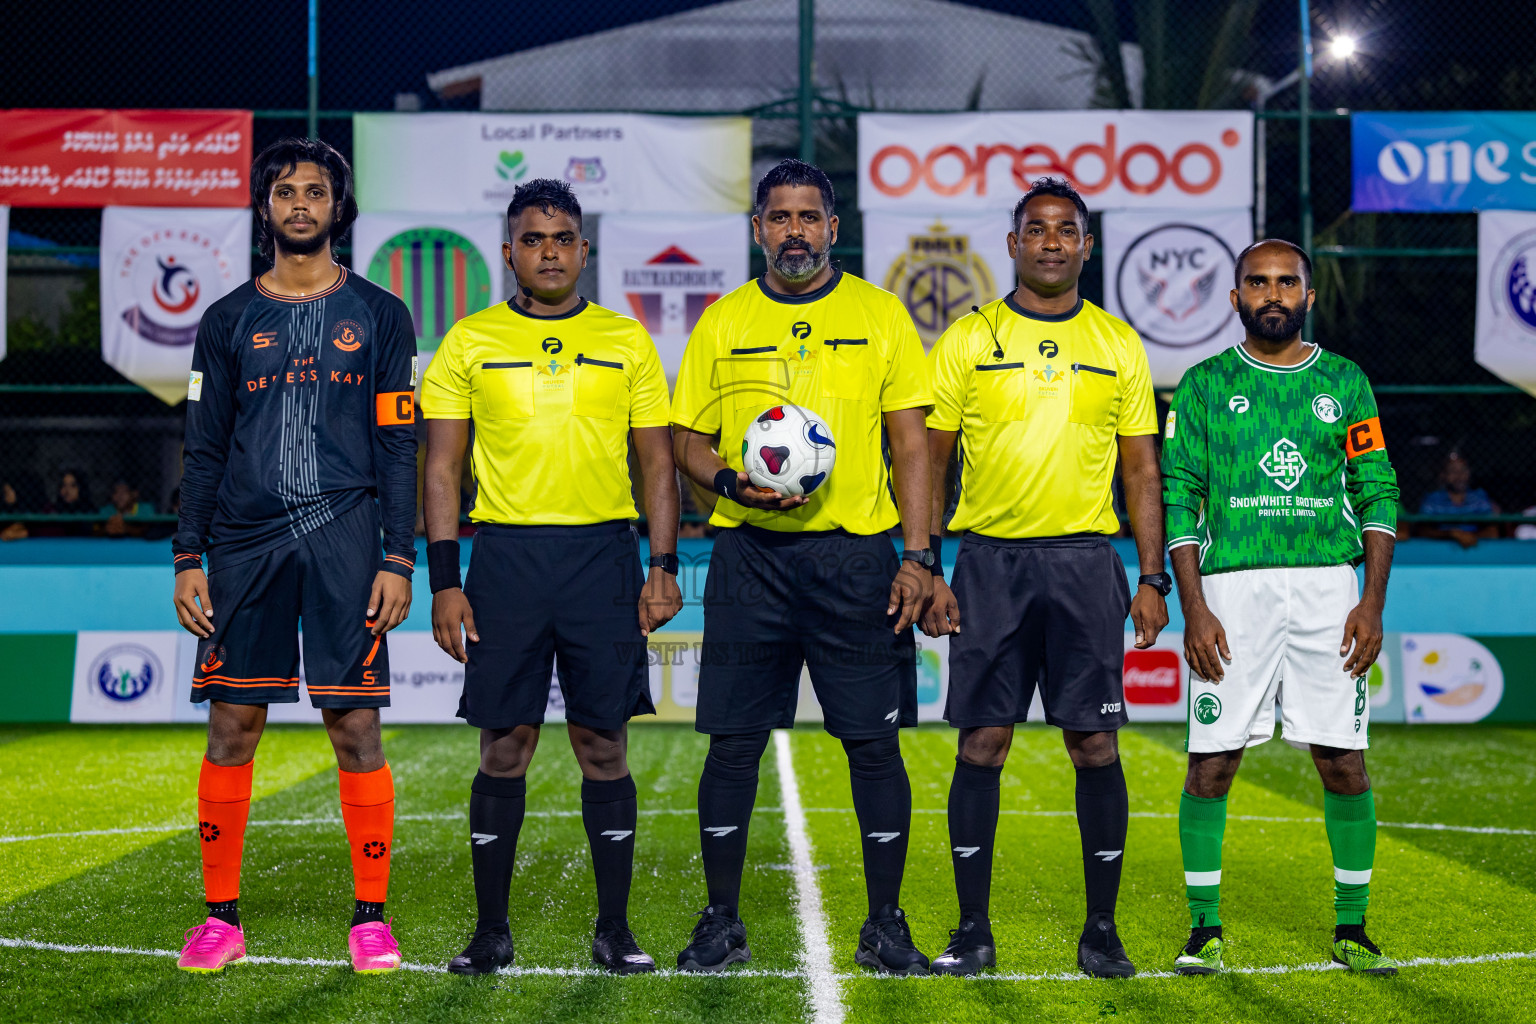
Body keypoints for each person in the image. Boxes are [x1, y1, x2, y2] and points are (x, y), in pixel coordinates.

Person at [670, 158, 935, 975]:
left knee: (873, 747)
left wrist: (920, 557)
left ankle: (885, 925)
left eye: (808, 218)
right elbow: (685, 440)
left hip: (856, 561)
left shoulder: (882, 315)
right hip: (749, 558)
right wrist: (725, 481)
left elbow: (913, 446)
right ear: (757, 229)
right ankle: (720, 921)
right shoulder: (723, 320)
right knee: (732, 744)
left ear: (832, 227)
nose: (795, 232)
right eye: (779, 218)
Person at [421, 179, 682, 976]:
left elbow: (657, 463)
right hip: (504, 561)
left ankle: (615, 930)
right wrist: (445, 577)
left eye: (562, 238)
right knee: (506, 746)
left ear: (583, 250)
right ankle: (490, 932)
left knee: (603, 745)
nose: (548, 251)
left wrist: (662, 565)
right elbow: (440, 467)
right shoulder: (468, 340)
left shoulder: (627, 339)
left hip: (603, 558)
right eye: (532, 239)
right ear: (508, 252)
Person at [170, 138, 418, 974]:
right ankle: (220, 918)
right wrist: (186, 555)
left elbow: (398, 446)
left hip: (349, 539)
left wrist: (400, 558)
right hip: (242, 545)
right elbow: (202, 450)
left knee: (355, 724)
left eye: (316, 191)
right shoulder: (227, 320)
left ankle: (371, 918)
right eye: (285, 191)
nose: (300, 203)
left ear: (339, 209)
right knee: (234, 722)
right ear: (265, 208)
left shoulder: (384, 316)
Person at [920, 177, 1169, 978]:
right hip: (989, 564)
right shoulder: (970, 337)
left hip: (1085, 565)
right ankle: (971, 932)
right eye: (1038, 229)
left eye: (1067, 230)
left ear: (1086, 246)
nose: (1052, 241)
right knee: (984, 741)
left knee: (1094, 743)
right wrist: (926, 563)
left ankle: (1102, 931)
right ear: (1013, 244)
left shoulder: (1119, 344)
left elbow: (1142, 470)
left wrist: (1152, 575)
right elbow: (932, 456)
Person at [1161, 239, 1401, 976]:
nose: (1273, 293)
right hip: (1233, 592)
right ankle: (1204, 929)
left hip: (1330, 588)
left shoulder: (1346, 382)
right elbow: (1180, 496)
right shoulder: (1201, 385)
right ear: (1234, 297)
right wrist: (1193, 608)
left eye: (1286, 282)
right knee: (1212, 763)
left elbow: (1378, 489)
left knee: (1343, 761)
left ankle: (1352, 929)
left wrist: (1371, 601)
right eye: (1257, 282)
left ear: (1308, 295)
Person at [1416, 453, 1500, 547]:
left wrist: (1468, 537)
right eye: (1453, 471)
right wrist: (1450, 534)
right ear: (1443, 475)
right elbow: (1422, 531)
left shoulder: (1479, 498)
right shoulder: (1433, 499)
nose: (1459, 476)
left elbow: (1492, 532)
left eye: (1463, 471)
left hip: (1475, 550)